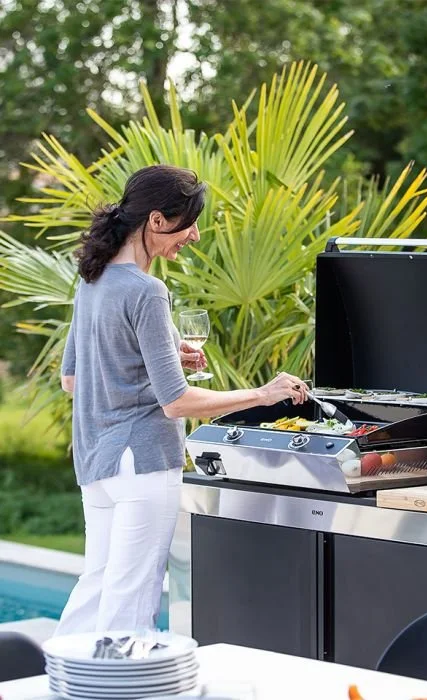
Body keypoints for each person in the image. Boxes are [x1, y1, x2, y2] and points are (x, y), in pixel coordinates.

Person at [56, 164, 309, 636]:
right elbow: (176, 403)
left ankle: (64, 681)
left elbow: (73, 379)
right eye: (188, 223)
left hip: (98, 464)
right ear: (156, 221)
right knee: (131, 600)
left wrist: (163, 356)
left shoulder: (92, 282)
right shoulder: (148, 292)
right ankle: (120, 686)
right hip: (144, 462)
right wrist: (264, 393)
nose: (193, 235)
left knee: (96, 589)